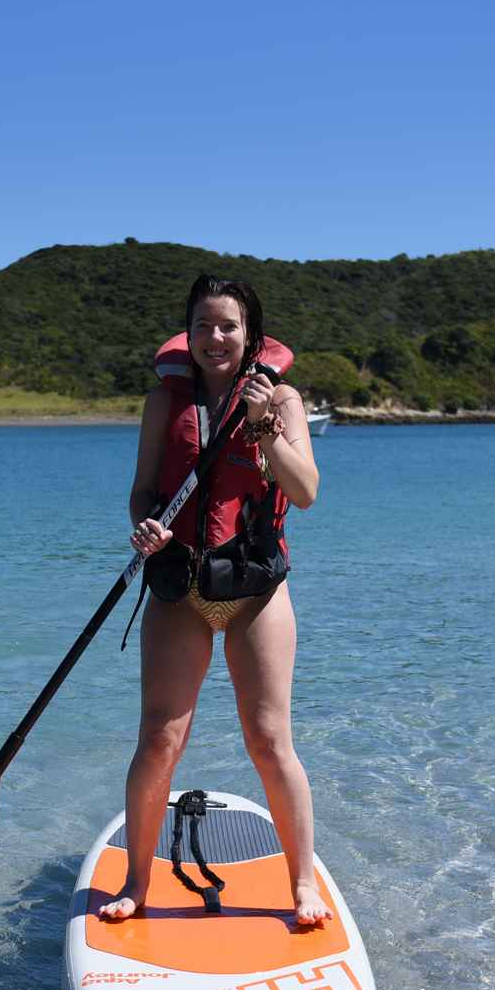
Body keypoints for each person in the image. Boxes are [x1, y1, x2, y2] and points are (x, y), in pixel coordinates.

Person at [99, 275, 328, 926]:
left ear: (251, 335)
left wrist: (262, 425)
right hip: (179, 588)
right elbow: (143, 492)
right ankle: (139, 882)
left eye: (227, 326)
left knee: (268, 739)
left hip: (256, 591)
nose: (215, 338)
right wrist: (143, 526)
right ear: (188, 334)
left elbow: (306, 490)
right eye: (203, 326)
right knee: (158, 741)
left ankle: (302, 884)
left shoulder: (280, 398)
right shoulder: (162, 403)